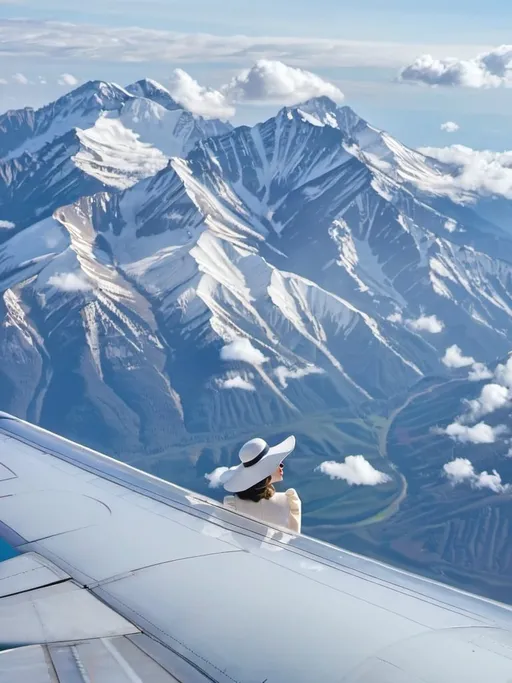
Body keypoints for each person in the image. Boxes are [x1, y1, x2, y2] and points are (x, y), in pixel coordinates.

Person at [221, 435, 301, 533]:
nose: (282, 465)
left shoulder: (232, 504)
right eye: (276, 462)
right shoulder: (289, 501)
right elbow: (293, 538)